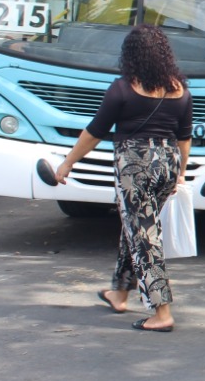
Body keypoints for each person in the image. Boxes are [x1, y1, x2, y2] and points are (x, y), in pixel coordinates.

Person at [55, 25, 193, 332]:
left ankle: (162, 311)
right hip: (168, 163)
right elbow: (184, 139)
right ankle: (119, 292)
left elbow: (94, 132)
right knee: (136, 227)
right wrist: (180, 172)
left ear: (131, 56)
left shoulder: (122, 89)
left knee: (144, 236)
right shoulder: (180, 89)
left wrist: (68, 163)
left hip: (136, 164)